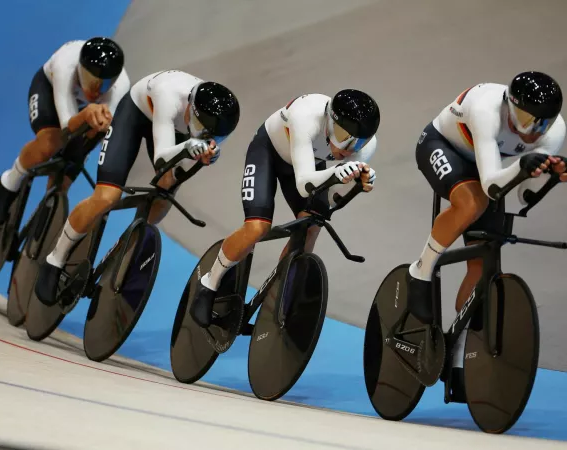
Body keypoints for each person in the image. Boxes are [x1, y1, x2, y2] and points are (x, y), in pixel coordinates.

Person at [409, 71, 567, 400]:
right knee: (472, 202)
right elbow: (492, 185)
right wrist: (525, 163)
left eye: (541, 123)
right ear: (509, 105)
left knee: (481, 266)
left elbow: (524, 196)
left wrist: (549, 177)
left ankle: (457, 354)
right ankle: (421, 270)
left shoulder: (556, 131)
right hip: (444, 146)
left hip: (493, 167)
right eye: (524, 118)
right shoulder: (486, 110)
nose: (531, 130)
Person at [34, 69, 241, 305]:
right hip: (137, 113)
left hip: (176, 129)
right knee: (106, 196)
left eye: (212, 134)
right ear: (190, 108)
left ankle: (125, 254)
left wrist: (209, 154)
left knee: (165, 191)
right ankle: (55, 260)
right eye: (199, 126)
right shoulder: (169, 95)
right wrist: (189, 147)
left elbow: (178, 166)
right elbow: (163, 157)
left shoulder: (210, 121)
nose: (204, 134)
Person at [190, 90, 380, 328]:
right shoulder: (305, 117)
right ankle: (209, 284)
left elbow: (333, 197)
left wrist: (359, 182)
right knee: (257, 227)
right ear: (329, 121)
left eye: (358, 143)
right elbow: (303, 185)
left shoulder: (366, 146)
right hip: (269, 152)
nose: (348, 149)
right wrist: (335, 172)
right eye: (343, 136)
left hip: (307, 161)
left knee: (312, 225)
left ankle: (278, 297)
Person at [0, 37, 130, 225]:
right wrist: (87, 113)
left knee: (69, 168)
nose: (95, 91)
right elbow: (67, 127)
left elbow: (99, 132)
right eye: (90, 80)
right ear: (79, 68)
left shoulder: (121, 86)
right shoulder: (65, 66)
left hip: (85, 112)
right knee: (50, 143)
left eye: (103, 85)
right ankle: (11, 180)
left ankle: (49, 207)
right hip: (49, 89)